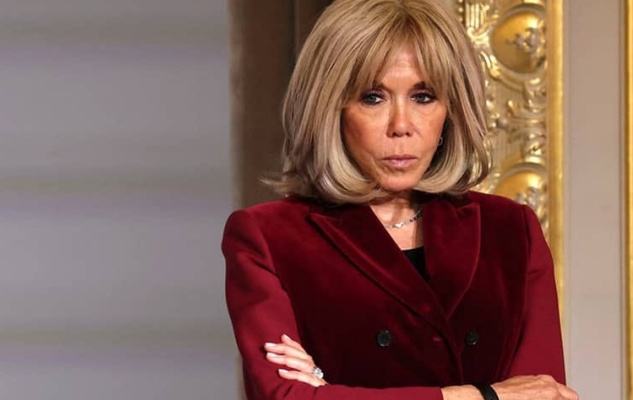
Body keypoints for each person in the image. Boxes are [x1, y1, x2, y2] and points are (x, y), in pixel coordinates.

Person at [222, 0, 579, 399]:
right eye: (373, 97)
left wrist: (334, 392)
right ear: (330, 108)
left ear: (451, 109)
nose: (401, 126)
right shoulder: (268, 237)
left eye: (423, 97)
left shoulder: (511, 230)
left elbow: (542, 395)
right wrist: (482, 395)